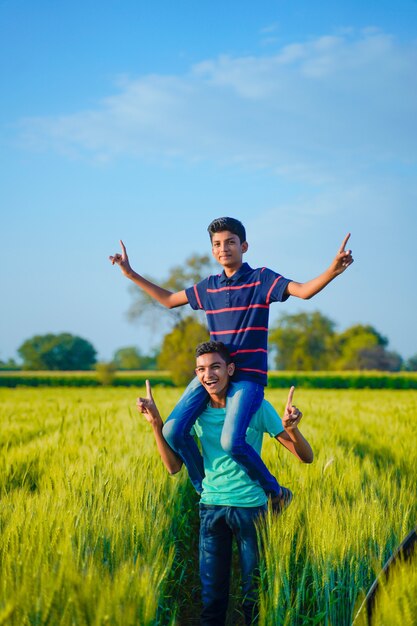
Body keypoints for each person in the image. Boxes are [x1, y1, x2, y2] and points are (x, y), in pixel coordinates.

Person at [110, 217, 351, 505]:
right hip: (215, 373)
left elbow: (303, 291)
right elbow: (169, 300)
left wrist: (333, 271)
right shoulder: (208, 287)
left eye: (230, 242)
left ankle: (275, 492)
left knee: (232, 442)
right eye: (217, 244)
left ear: (244, 246)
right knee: (173, 430)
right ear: (213, 251)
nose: (223, 248)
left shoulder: (261, 279)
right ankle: (204, 488)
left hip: (247, 378)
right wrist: (131, 274)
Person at [136, 341, 313, 626]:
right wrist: (156, 424)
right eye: (201, 370)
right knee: (212, 599)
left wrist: (292, 429)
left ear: (230, 369)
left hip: (252, 510)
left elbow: (305, 457)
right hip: (211, 509)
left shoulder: (254, 408)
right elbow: (173, 467)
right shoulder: (195, 414)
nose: (209, 375)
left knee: (254, 596)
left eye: (216, 367)